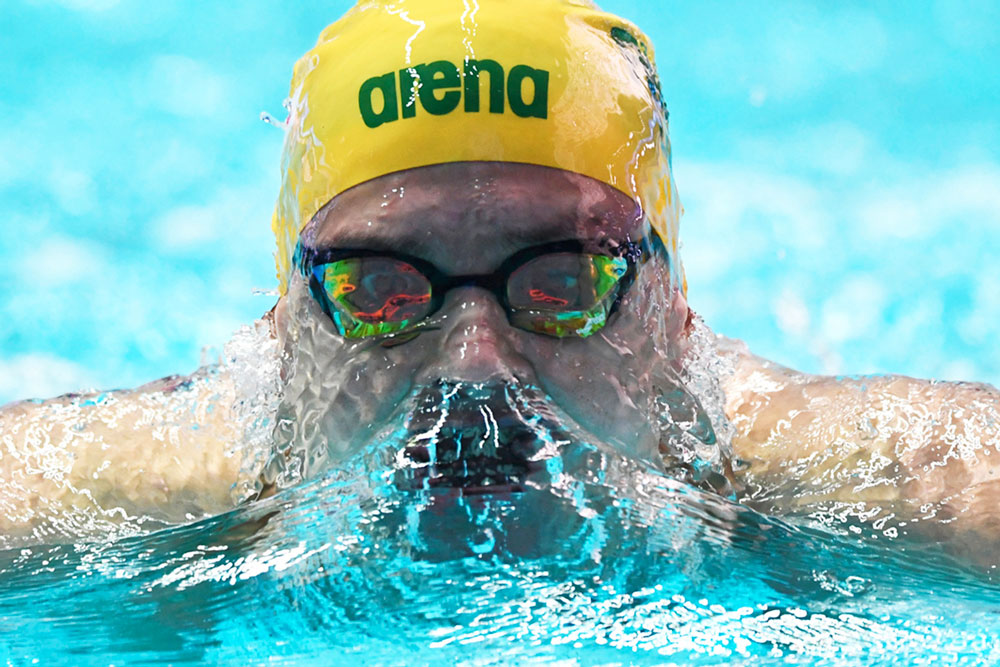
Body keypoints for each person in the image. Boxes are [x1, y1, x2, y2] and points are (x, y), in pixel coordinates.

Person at [2, 0, 998, 561]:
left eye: (564, 280)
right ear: (281, 321)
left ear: (675, 315)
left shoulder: (863, 484)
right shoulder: (120, 499)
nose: (476, 368)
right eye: (380, 288)